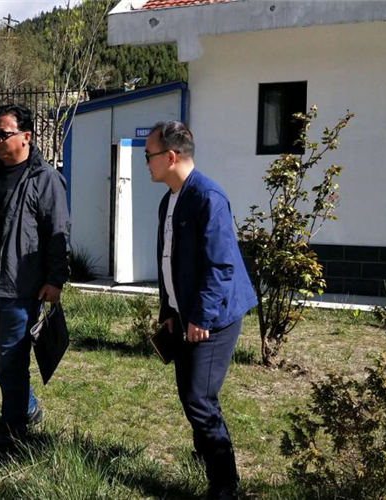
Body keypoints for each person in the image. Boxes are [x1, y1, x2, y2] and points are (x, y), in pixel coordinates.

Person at [145, 121, 257, 499]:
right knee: (190, 396)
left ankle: (225, 484)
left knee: (199, 398)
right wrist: (169, 309)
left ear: (170, 156)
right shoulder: (169, 200)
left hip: (214, 318)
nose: (146, 163)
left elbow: (221, 266)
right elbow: (169, 260)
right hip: (186, 314)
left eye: (149, 155)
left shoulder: (208, 197)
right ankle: (206, 455)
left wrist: (201, 317)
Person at [0, 104, 70, 444]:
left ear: (26, 136)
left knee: (12, 358)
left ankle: (12, 432)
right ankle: (27, 406)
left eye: (4, 134)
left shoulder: (45, 179)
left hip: (21, 282)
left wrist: (55, 279)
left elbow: (58, 229)